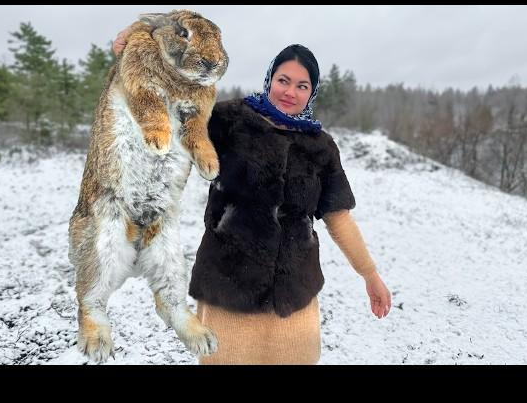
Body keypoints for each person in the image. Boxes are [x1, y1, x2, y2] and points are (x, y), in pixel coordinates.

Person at [112, 28, 391, 365]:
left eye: (302, 86)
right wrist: (136, 55)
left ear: (312, 92)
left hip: (294, 295)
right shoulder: (228, 121)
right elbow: (165, 117)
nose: (290, 92)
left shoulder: (322, 147)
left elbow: (338, 217)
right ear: (270, 77)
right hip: (227, 288)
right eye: (284, 80)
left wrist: (370, 275)